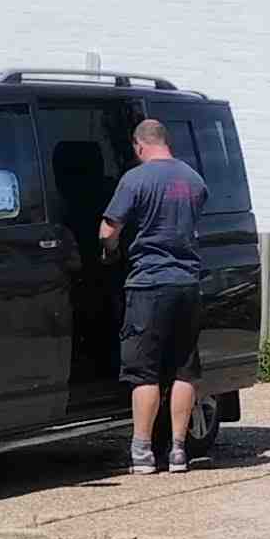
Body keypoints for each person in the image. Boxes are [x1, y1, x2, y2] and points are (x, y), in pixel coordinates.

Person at [97, 112, 209, 473]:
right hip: (188, 284)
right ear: (166, 142)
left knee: (143, 371)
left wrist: (110, 252)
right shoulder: (194, 180)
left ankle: (142, 453)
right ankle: (178, 451)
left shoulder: (135, 179)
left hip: (149, 284)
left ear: (139, 145)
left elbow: (107, 230)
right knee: (183, 369)